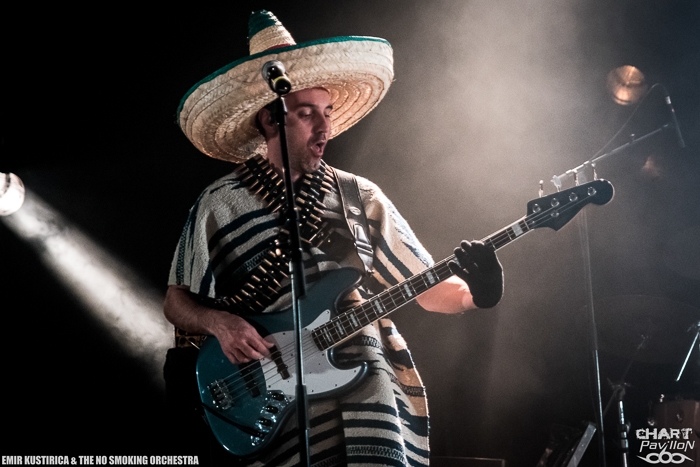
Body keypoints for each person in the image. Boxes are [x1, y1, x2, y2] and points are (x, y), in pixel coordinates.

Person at [163, 10, 504, 467]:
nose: (325, 128)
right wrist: (221, 324)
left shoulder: (361, 196)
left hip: (367, 391)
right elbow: (177, 301)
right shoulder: (219, 204)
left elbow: (428, 288)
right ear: (270, 120)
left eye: (327, 113)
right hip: (273, 398)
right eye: (307, 114)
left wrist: (476, 295)